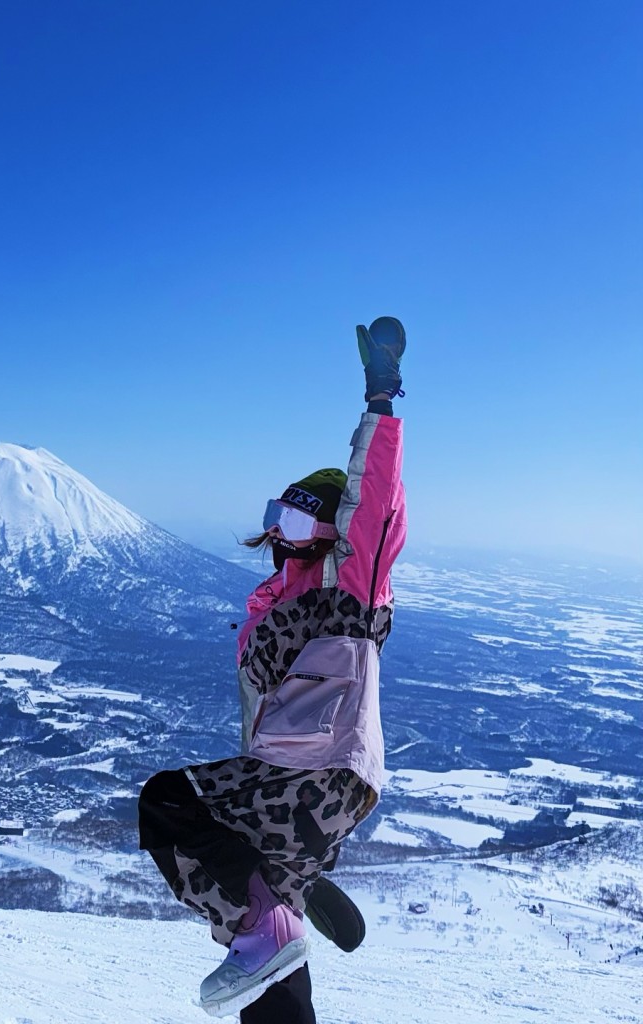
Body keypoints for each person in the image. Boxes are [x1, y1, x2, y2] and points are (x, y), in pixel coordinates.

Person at [138, 317, 408, 1020]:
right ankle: (286, 900)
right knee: (272, 986)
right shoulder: (269, 606)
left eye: (294, 524)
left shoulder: (348, 593)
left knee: (170, 802)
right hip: (292, 775)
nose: (277, 537)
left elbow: (372, 512)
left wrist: (379, 405)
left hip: (321, 775)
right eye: (275, 519)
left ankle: (268, 918)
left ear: (323, 532)